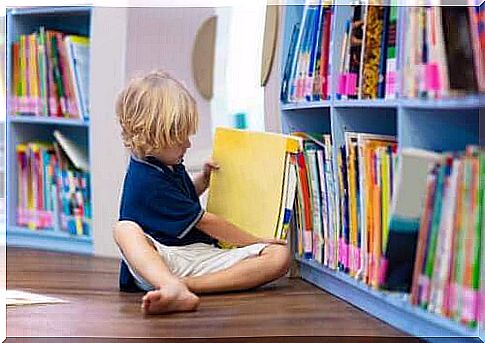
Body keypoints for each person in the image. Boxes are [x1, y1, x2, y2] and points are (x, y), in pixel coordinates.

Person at [113, 71, 290, 315]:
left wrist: (203, 181)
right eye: (180, 137)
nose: (188, 144)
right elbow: (205, 221)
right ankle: (169, 283)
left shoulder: (166, 163)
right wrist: (257, 240)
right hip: (160, 261)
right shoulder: (146, 179)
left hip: (195, 258)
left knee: (279, 256)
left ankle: (180, 287)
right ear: (154, 136)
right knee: (125, 229)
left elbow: (181, 205)